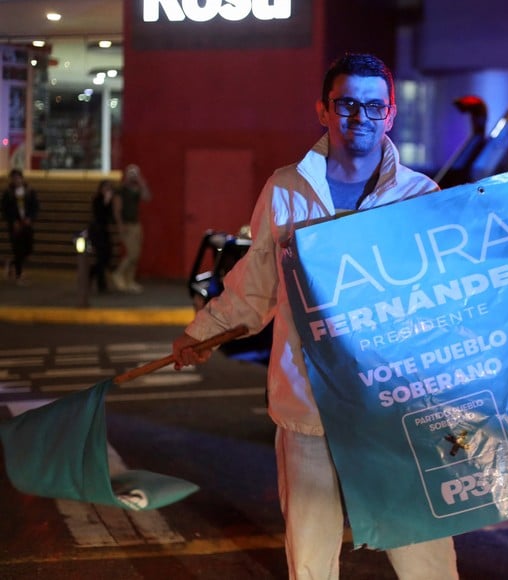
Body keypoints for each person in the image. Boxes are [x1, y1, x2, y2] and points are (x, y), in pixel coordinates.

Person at [170, 53, 459, 579]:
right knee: (310, 560)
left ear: (391, 114)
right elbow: (256, 284)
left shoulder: (421, 196)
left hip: (393, 407)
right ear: (323, 110)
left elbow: (448, 300)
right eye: (347, 104)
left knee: (425, 557)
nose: (360, 118)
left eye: (374, 106)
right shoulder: (286, 190)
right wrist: (202, 333)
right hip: (308, 408)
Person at [112, 163, 151, 294]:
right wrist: (120, 225)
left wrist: (141, 181)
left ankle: (129, 281)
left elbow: (147, 197)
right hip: (126, 224)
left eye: (135, 173)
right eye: (131, 173)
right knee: (132, 253)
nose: (132, 176)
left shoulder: (136, 190)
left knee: (136, 254)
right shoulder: (121, 190)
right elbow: (117, 209)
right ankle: (118, 274)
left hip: (136, 224)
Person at [2, 169, 39, 285]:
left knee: (28, 248)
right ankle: (19, 276)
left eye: (18, 178)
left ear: (22, 178)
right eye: (14, 178)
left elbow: (35, 207)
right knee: (18, 250)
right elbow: (5, 209)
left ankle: (12, 263)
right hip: (15, 226)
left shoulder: (29, 191)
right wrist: (13, 221)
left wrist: (30, 218)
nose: (16, 181)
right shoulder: (8, 193)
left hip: (27, 224)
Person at [88, 179, 116, 293]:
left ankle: (91, 274)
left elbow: (110, 216)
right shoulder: (97, 199)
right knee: (101, 257)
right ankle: (101, 285)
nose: (107, 190)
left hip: (104, 231)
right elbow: (99, 214)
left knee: (106, 257)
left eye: (109, 188)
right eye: (106, 187)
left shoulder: (109, 201)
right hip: (97, 231)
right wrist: (106, 201)